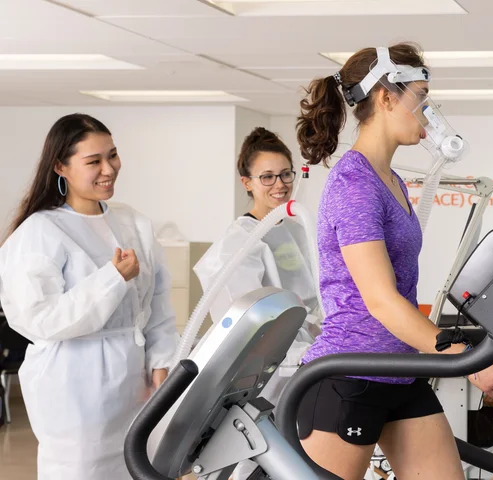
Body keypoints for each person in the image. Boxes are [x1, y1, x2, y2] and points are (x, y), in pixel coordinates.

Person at [294, 42, 493, 480]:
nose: (429, 114)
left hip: (400, 371)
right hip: (351, 373)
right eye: (421, 98)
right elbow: (380, 300)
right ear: (385, 97)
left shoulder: (390, 179)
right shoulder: (354, 183)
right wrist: (464, 360)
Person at [0, 113, 179, 479]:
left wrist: (161, 365)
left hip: (134, 383)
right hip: (73, 387)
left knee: (138, 467)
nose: (109, 168)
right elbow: (42, 320)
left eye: (112, 155)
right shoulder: (40, 232)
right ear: (60, 167)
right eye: (94, 161)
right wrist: (113, 278)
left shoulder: (133, 223)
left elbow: (158, 305)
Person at [193, 126, 322, 480]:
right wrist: (303, 354)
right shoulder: (238, 242)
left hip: (302, 368)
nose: (279, 184)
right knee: (257, 462)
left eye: (285, 174)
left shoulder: (295, 228)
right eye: (267, 177)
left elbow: (311, 301)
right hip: (267, 375)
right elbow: (253, 324)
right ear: (246, 182)